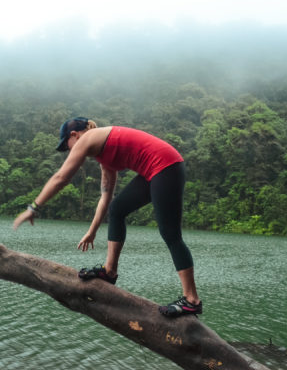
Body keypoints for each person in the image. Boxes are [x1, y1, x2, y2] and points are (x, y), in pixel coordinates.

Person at [13, 117, 202, 317]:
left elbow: (62, 177)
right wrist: (92, 232)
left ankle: (191, 300)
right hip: (155, 171)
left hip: (166, 166)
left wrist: (33, 207)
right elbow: (106, 198)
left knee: (170, 234)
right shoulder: (103, 156)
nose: (69, 150)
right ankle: (109, 271)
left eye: (66, 145)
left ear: (74, 135)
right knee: (117, 209)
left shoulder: (90, 138)